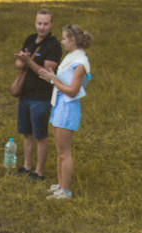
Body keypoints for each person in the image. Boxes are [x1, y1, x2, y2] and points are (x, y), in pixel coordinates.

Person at [38, 24, 93, 199]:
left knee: (64, 151)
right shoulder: (71, 57)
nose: (62, 42)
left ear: (73, 40)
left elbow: (73, 91)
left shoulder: (80, 63)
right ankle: (61, 184)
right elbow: (64, 81)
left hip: (68, 107)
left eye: (64, 39)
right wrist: (53, 76)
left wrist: (53, 80)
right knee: (59, 150)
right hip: (60, 104)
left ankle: (66, 191)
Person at [13, 9, 61, 181]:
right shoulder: (29, 39)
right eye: (39, 23)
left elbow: (45, 71)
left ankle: (39, 171)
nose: (42, 27)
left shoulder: (53, 45)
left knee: (40, 135)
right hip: (25, 94)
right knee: (26, 133)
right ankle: (27, 166)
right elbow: (19, 64)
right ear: (35, 23)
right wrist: (21, 60)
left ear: (51, 25)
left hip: (41, 97)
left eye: (45, 24)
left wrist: (28, 61)